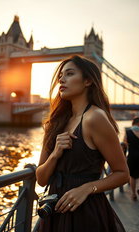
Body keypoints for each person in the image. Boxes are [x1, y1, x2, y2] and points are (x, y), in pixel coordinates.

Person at [36, 55, 129, 232]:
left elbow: (122, 173)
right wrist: (55, 155)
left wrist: (87, 188)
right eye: (60, 76)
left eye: (69, 74)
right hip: (54, 212)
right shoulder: (55, 123)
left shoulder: (95, 118)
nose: (61, 79)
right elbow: (41, 179)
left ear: (87, 81)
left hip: (85, 213)